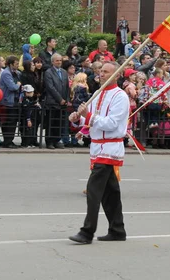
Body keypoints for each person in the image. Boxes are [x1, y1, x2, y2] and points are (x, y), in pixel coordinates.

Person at [68, 61, 128, 244]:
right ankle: (117, 230)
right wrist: (77, 118)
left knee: (93, 190)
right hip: (97, 147)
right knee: (111, 193)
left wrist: (88, 116)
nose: (101, 74)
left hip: (110, 148)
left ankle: (87, 232)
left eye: (106, 72)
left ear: (116, 75)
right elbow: (89, 122)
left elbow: (111, 124)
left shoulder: (121, 96)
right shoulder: (97, 93)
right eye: (101, 71)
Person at [44, 53, 69, 149]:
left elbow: (67, 87)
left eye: (60, 60)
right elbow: (50, 87)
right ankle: (49, 141)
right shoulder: (48, 72)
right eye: (57, 60)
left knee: (60, 123)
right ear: (52, 62)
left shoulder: (64, 72)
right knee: (51, 122)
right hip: (52, 102)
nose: (59, 62)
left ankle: (57, 140)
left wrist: (66, 99)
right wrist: (60, 99)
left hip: (62, 102)